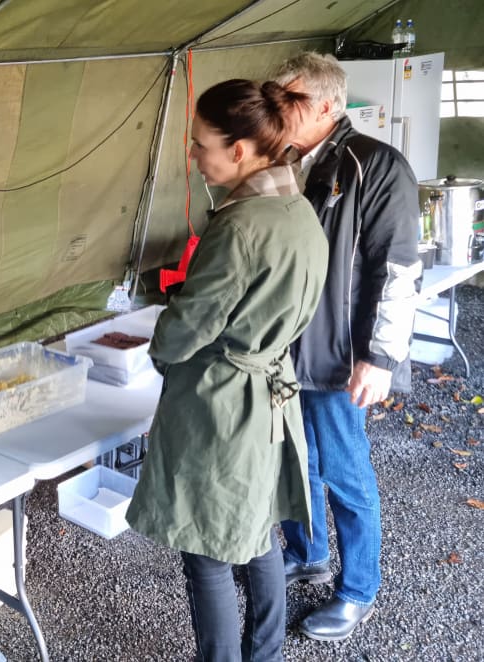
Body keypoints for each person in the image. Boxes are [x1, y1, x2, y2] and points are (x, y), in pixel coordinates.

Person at [126, 79, 329, 661]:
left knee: (208, 550)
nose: (193, 157)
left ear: (239, 150)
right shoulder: (298, 209)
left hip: (224, 402)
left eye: (199, 145)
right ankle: (263, 652)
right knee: (257, 526)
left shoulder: (239, 227)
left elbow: (185, 329)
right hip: (272, 391)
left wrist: (162, 346)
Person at [272, 52, 421, 641]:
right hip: (290, 345)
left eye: (292, 99)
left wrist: (380, 357)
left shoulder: (375, 165)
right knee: (295, 458)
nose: (279, 108)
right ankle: (306, 549)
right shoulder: (289, 160)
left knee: (344, 469)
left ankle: (358, 586)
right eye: (277, 95)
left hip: (340, 355)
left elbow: (398, 268)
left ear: (328, 106)